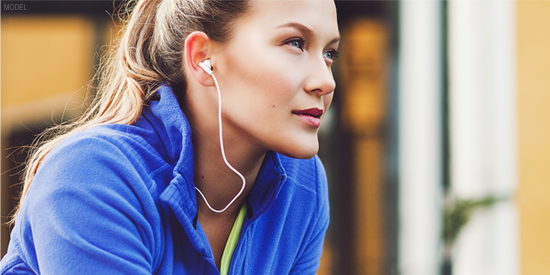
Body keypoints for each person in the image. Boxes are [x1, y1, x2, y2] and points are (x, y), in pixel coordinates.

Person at [0, 0, 340, 273]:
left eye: (329, 54)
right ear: (202, 58)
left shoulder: (302, 187)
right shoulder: (92, 177)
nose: (325, 81)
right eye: (294, 43)